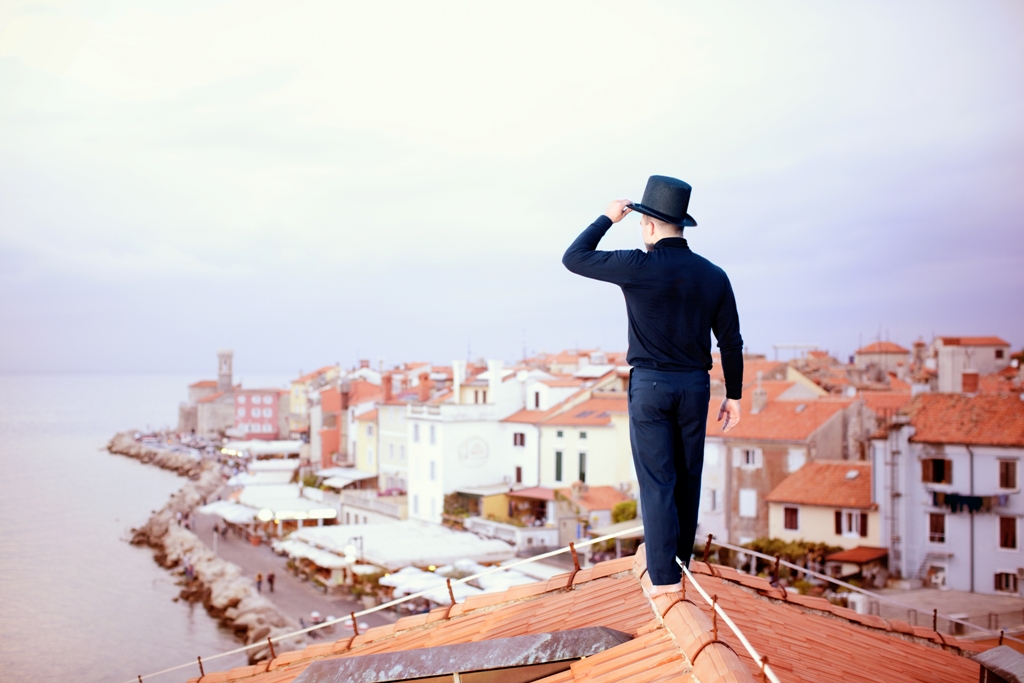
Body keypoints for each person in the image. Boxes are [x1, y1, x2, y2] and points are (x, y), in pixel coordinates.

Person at [562, 175, 743, 597]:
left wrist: (607, 218)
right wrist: (734, 395)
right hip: (695, 387)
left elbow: (574, 257)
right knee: (688, 477)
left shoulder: (638, 265)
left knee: (658, 481)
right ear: (680, 224)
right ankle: (681, 564)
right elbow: (730, 341)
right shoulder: (714, 275)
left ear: (647, 225)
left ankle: (664, 581)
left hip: (651, 387)